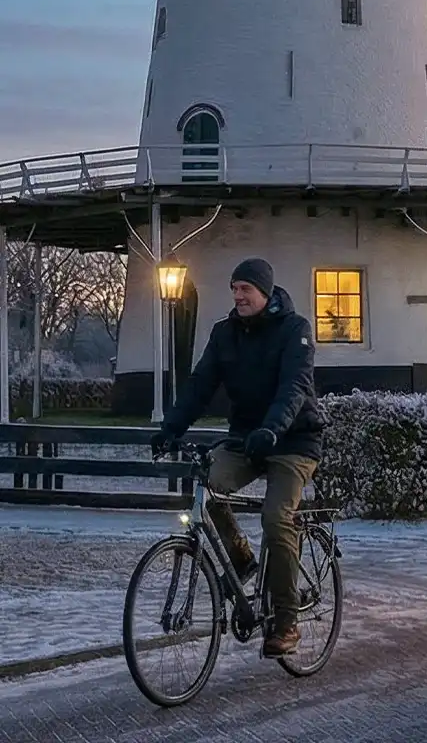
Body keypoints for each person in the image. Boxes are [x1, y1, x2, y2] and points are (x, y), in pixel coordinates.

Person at [150, 257, 323, 657]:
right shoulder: (224, 334)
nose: (238, 296)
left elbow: (294, 387)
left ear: (265, 291)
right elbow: (200, 384)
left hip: (294, 440)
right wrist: (171, 427)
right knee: (207, 487)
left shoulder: (295, 330)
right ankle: (243, 560)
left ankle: (286, 621)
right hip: (247, 439)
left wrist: (273, 429)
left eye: (245, 289)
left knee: (276, 518)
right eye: (234, 289)